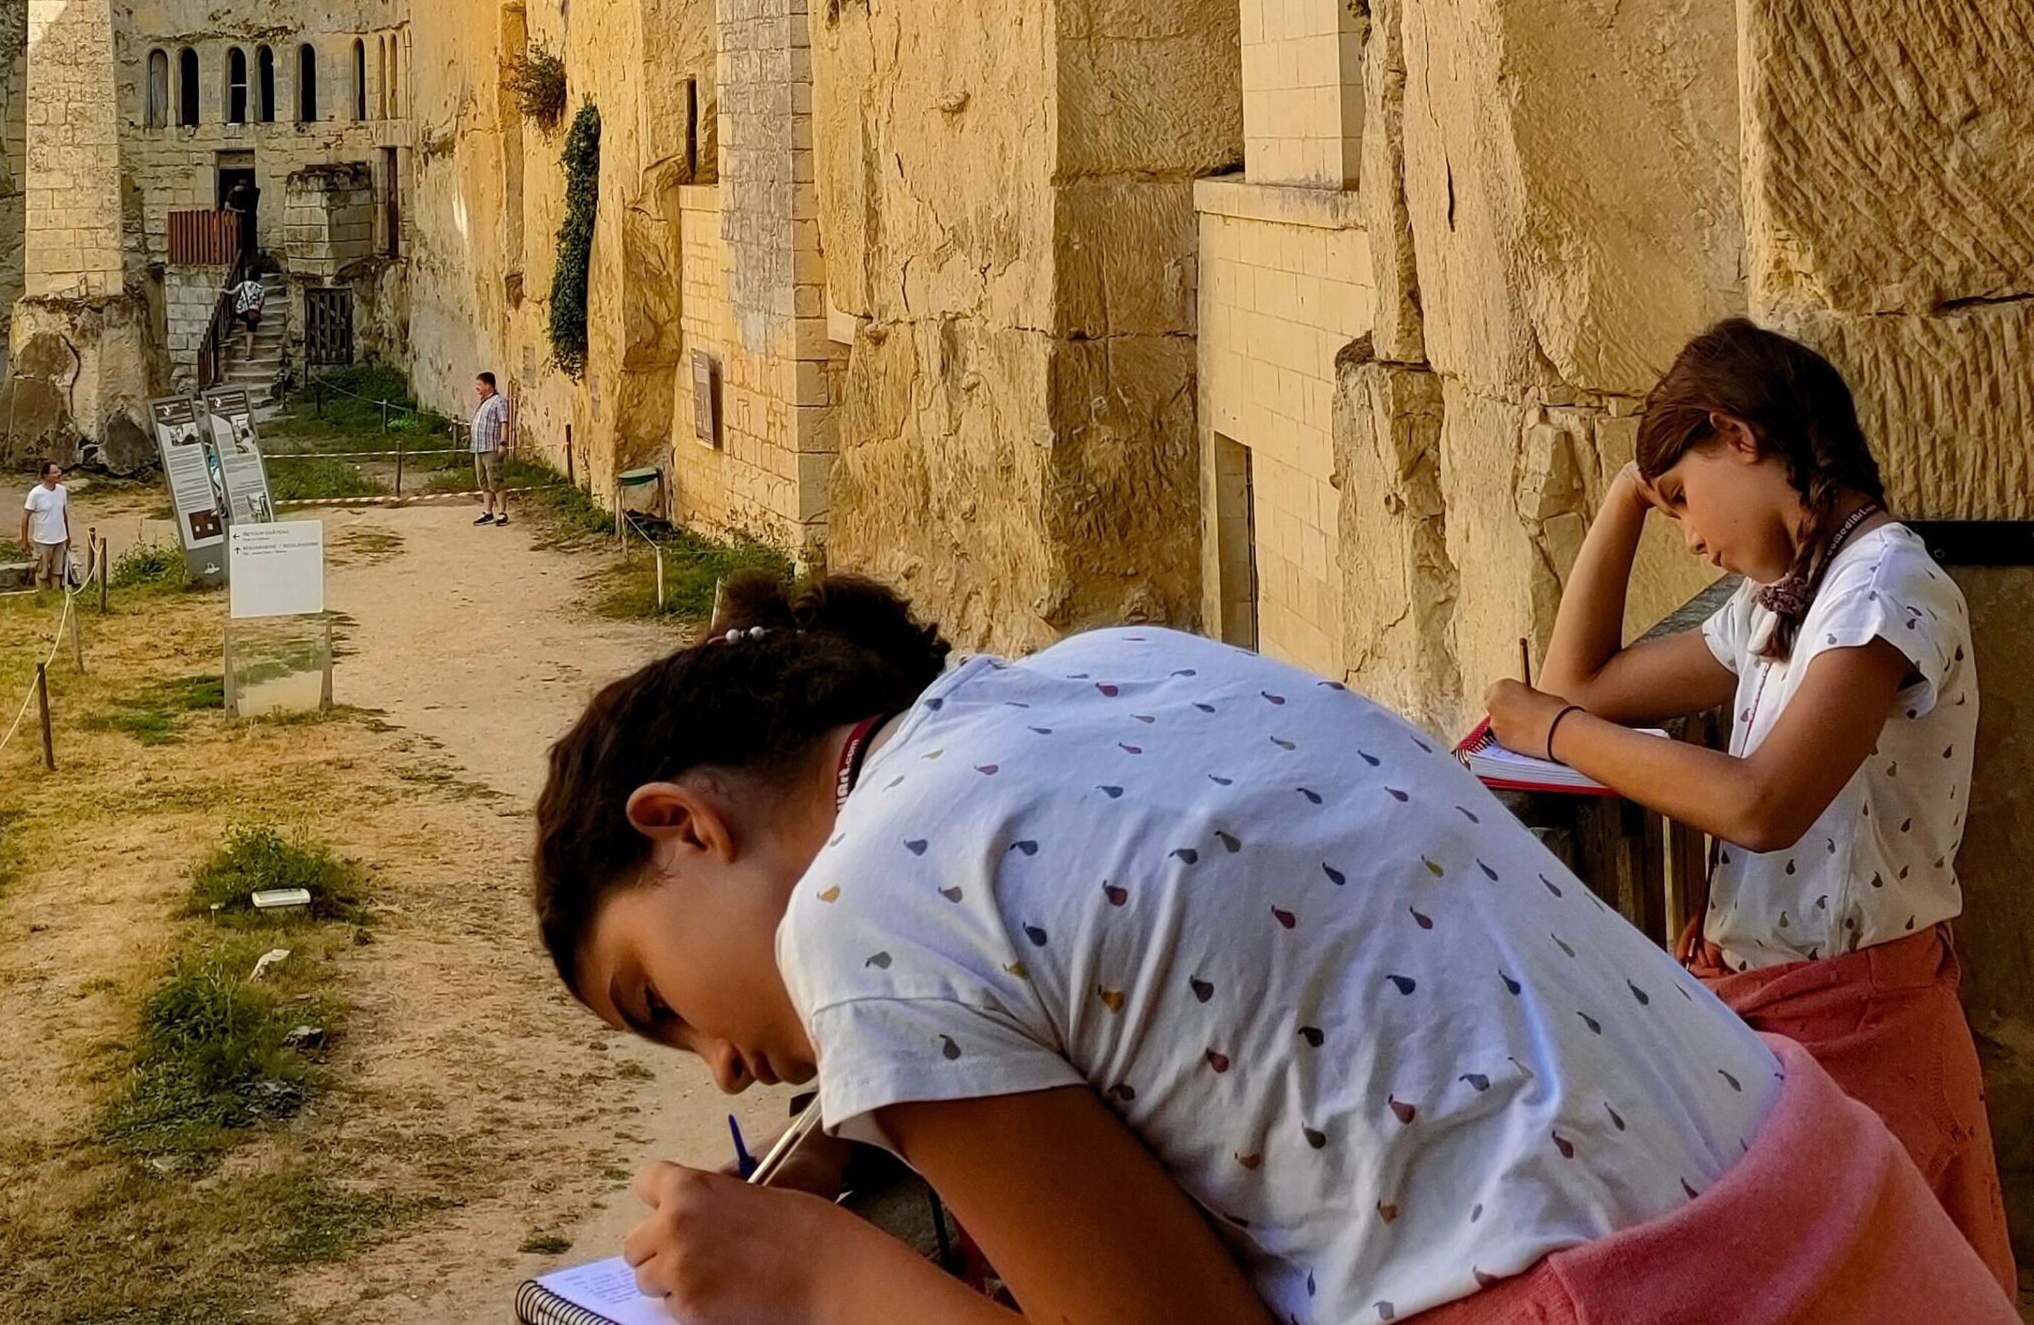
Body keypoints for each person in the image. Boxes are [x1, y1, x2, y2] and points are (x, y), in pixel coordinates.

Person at [533, 572, 2012, 1325]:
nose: (723, 1061)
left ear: (682, 826)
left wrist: (807, 1272)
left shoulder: (864, 919)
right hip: (1840, 1217)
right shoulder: (1113, 663)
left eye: (656, 1001)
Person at [1483, 317, 2013, 1289]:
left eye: (1683, 499)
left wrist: (1548, 735)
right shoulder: (1782, 601)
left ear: (1739, 437)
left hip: (1861, 1020)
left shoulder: (1885, 588)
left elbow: (1763, 804)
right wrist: (1625, 494)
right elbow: (1578, 681)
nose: (1688, 536)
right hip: (1782, 1011)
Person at [21, 462, 71, 589]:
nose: (58, 474)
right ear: (45, 475)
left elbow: (63, 513)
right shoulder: (36, 494)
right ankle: (42, 596)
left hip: (60, 538)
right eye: (54, 472)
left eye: (58, 471)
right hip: (43, 539)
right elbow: (25, 516)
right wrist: (24, 540)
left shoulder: (62, 491)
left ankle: (56, 594)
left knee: (57, 571)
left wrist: (67, 535)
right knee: (42, 571)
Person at [471, 371, 512, 527]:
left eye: (479, 385)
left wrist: (503, 443)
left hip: (491, 447)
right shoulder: (484, 401)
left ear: (488, 385)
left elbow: (504, 422)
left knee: (496, 480)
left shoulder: (499, 401)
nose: (477, 388)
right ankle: (487, 512)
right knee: (483, 481)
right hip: (479, 448)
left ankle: (502, 512)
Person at [232, 272, 267, 362]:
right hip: (253, 312)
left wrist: (223, 291)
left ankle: (243, 335)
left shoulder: (244, 284)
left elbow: (232, 292)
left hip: (241, 311)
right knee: (250, 332)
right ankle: (248, 354)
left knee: (244, 323)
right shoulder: (261, 288)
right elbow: (261, 302)